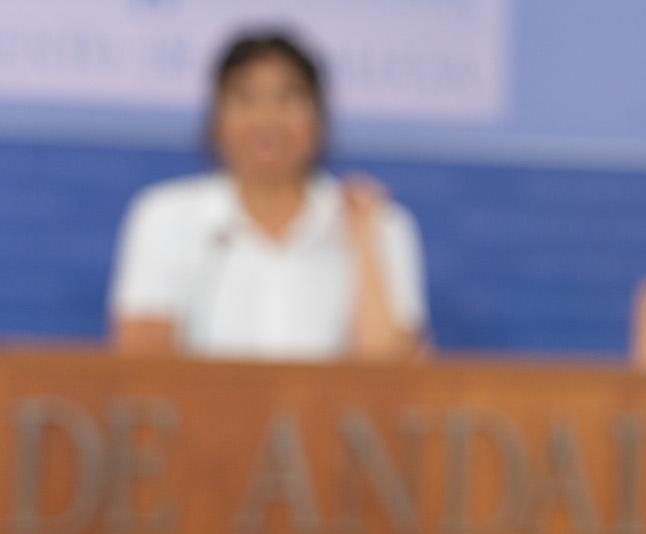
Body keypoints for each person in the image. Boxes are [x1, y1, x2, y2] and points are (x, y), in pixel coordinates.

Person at [109, 33, 427, 361]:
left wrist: (362, 241)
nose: (267, 118)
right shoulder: (166, 217)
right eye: (245, 98)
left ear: (319, 118)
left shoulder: (381, 223)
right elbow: (143, 369)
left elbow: (391, 379)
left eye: (288, 98)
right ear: (216, 119)